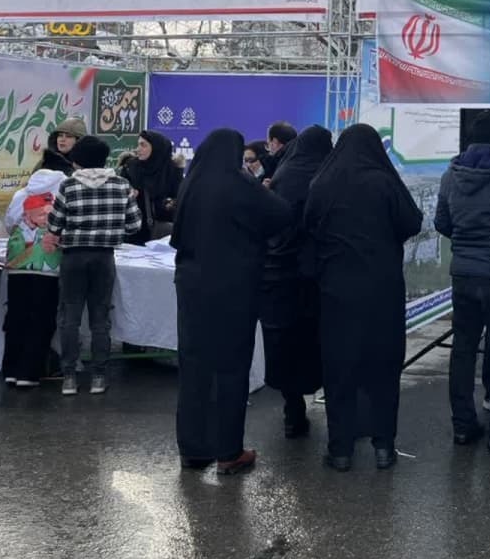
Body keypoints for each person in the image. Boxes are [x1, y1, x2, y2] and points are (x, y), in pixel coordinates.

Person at [173, 129, 292, 474]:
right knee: (230, 366)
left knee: (194, 365)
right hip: (233, 286)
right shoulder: (238, 184)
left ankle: (193, 449)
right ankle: (228, 452)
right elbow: (281, 214)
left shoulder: (191, 183)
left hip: (191, 284)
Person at [305, 124, 422, 471]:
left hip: (337, 290)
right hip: (382, 289)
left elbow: (309, 225)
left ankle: (340, 450)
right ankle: (384, 447)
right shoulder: (384, 181)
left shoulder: (322, 182)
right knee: (383, 366)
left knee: (339, 368)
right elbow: (412, 222)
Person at [435, 111, 490, 451]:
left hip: (463, 272)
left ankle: (462, 424)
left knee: (463, 348)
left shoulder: (451, 172)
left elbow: (442, 222)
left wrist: (466, 240)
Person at [45, 135, 142, 396]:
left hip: (73, 257)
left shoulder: (68, 185)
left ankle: (69, 377)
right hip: (104, 257)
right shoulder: (121, 184)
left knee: (70, 317)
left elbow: (54, 225)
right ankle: (99, 376)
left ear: (77, 160)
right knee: (101, 318)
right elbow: (134, 225)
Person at [261, 124, 333, 438]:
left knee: (286, 344)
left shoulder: (283, 175)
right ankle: (339, 418)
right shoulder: (328, 175)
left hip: (281, 273)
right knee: (322, 341)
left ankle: (293, 413)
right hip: (318, 276)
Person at [2, 169, 68, 387]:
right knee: (41, 318)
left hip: (17, 267)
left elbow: (9, 224)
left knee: (16, 316)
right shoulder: (61, 195)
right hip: (47, 269)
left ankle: (10, 369)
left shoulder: (20, 195)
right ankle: (29, 372)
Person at [122, 130, 183, 244]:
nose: (138, 149)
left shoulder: (172, 171)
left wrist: (168, 204)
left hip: (163, 237)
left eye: (143, 145)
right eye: (138, 144)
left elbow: (179, 201)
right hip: (133, 235)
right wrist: (129, 196)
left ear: (156, 148)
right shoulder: (130, 168)